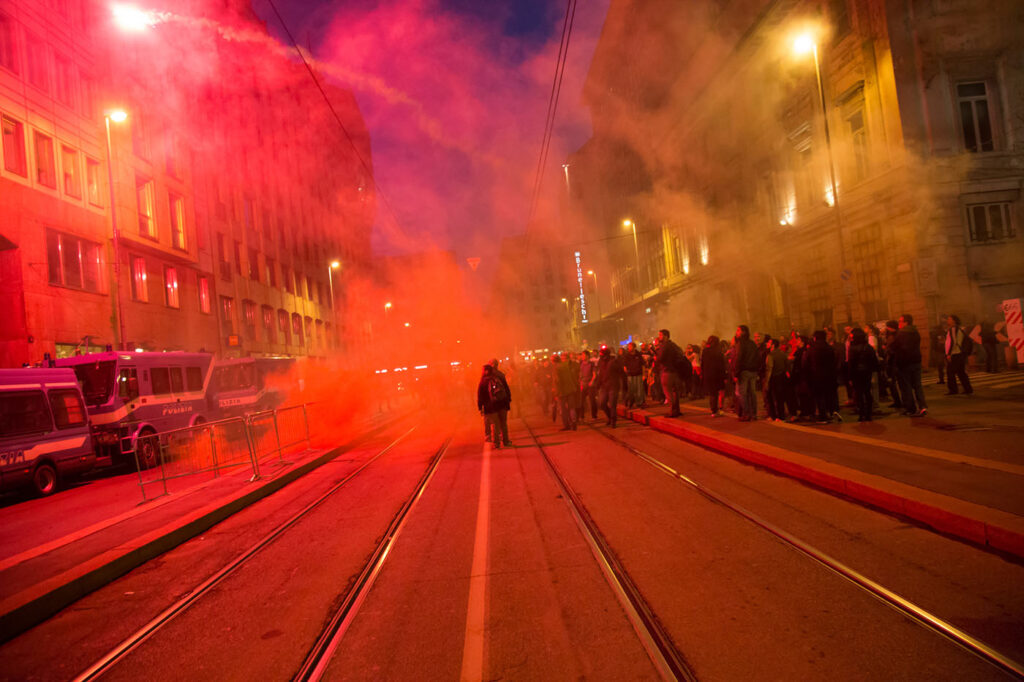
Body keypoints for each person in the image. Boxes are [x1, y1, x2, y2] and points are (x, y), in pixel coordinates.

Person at [896, 314, 928, 417]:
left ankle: (911, 408)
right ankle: (922, 406)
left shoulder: (901, 334)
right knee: (917, 385)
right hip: (916, 361)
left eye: (901, 321)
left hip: (905, 363)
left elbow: (898, 348)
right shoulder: (915, 332)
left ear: (906, 322)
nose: (899, 323)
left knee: (907, 387)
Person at [847, 328, 879, 422]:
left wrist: (850, 377)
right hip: (867, 373)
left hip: (857, 374)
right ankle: (869, 414)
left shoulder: (852, 348)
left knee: (859, 394)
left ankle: (862, 414)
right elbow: (874, 361)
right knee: (867, 393)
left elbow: (851, 364)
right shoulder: (868, 347)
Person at [477, 362, 512, 448]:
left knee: (495, 424)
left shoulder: (483, 381)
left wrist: (480, 407)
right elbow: (506, 389)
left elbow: (480, 396)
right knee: (503, 423)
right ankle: (506, 441)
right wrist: (508, 400)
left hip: (491, 406)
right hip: (502, 403)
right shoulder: (499, 376)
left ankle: (497, 443)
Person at [809, 330, 840, 423]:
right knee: (829, 395)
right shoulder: (830, 348)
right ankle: (832, 412)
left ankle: (823, 416)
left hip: (816, 376)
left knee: (819, 397)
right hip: (829, 376)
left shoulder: (812, 349)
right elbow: (834, 362)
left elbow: (806, 364)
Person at [655, 329, 687, 417]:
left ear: (665, 336)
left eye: (660, 335)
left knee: (668, 392)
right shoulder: (673, 345)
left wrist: (656, 356)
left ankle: (672, 411)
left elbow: (660, 358)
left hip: (666, 371)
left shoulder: (664, 346)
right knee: (674, 392)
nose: (659, 337)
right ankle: (677, 410)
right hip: (674, 372)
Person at [731, 325, 759, 421]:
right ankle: (753, 414)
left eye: (738, 330)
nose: (736, 332)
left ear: (743, 332)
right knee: (752, 393)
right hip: (753, 372)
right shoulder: (752, 343)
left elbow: (739, 359)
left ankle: (746, 414)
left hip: (744, 372)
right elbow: (757, 357)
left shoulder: (740, 343)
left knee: (740, 393)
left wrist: (736, 373)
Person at [595, 346, 625, 427]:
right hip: (604, 386)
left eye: (602, 354)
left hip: (613, 386)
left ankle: (613, 420)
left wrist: (624, 386)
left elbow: (621, 373)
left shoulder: (614, 361)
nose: (601, 355)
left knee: (612, 404)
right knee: (602, 403)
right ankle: (609, 417)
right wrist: (597, 385)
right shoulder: (600, 362)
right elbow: (599, 374)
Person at [944, 314, 974, 395]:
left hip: (955, 353)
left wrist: (948, 354)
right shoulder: (959, 329)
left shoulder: (953, 329)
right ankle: (968, 389)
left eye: (949, 319)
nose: (948, 320)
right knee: (961, 372)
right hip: (960, 353)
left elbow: (953, 342)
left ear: (954, 320)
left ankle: (953, 390)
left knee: (950, 372)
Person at [763, 338, 788, 421]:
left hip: (773, 379)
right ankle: (781, 416)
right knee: (780, 398)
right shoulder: (783, 354)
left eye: (769, 343)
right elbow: (787, 367)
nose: (767, 344)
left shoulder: (770, 355)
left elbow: (769, 369)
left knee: (771, 398)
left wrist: (766, 382)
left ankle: (773, 416)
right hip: (782, 378)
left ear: (773, 345)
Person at [701, 335, 726, 417]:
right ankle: (715, 410)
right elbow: (722, 365)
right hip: (717, 375)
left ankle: (713, 410)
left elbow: (703, 364)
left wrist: (703, 374)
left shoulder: (705, 351)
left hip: (708, 375)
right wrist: (724, 376)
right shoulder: (718, 351)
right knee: (716, 393)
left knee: (712, 393)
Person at [555, 352, 579, 430]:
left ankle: (567, 425)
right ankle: (574, 422)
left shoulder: (559, 367)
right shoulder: (572, 365)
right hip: (571, 389)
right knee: (572, 407)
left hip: (562, 391)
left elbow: (557, 381)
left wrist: (557, 392)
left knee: (563, 409)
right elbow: (575, 377)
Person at [622, 342, 645, 408]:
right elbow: (624, 365)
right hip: (630, 375)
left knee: (639, 389)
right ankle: (629, 402)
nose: (629, 348)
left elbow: (642, 364)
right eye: (629, 347)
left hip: (638, 374)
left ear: (634, 347)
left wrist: (644, 374)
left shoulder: (638, 354)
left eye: (630, 346)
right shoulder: (627, 355)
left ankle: (639, 403)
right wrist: (626, 371)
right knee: (631, 390)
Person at [578, 350, 598, 420]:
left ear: (587, 356)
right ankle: (581, 416)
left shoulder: (591, 364)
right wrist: (580, 382)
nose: (582, 356)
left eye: (584, 355)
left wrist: (592, 381)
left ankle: (594, 415)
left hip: (590, 384)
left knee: (592, 400)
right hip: (583, 384)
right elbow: (579, 374)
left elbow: (594, 374)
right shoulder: (580, 364)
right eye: (582, 355)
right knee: (581, 401)